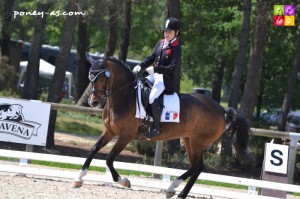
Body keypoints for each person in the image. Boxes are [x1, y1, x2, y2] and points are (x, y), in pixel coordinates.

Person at [133, 17, 181, 139]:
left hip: (166, 79)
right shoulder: (160, 43)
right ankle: (144, 121)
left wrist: (155, 69)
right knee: (140, 88)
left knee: (152, 96)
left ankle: (157, 127)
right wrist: (141, 65)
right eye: (165, 31)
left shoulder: (176, 47)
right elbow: (151, 57)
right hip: (155, 76)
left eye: (170, 32)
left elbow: (171, 68)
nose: (167, 34)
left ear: (176, 32)